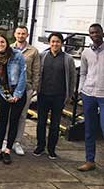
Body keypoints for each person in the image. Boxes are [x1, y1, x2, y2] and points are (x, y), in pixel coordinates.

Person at [33, 32, 76, 160]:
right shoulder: (43, 56)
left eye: (57, 41)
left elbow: (72, 78)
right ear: (49, 43)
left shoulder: (68, 59)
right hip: (43, 94)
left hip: (59, 96)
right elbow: (38, 73)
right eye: (52, 41)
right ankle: (40, 146)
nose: (55, 44)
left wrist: (70, 94)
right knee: (41, 122)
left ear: (61, 43)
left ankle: (52, 149)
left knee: (55, 123)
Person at [0, 34, 26, 165]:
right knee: (2, 121)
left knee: (14, 121)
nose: (0, 44)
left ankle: (8, 151)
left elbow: (23, 74)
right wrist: (5, 95)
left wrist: (17, 94)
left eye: (2, 42)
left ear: (7, 42)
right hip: (2, 94)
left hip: (18, 93)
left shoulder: (17, 55)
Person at [9, 26, 40, 155]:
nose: (21, 36)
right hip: (10, 88)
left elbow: (36, 70)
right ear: (15, 34)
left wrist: (34, 88)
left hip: (26, 88)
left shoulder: (33, 51)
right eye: (18, 33)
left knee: (22, 116)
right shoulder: (9, 48)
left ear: (27, 35)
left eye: (23, 33)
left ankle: (17, 141)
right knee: (9, 115)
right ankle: (6, 140)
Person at [77, 23, 104, 172]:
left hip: (103, 96)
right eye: (92, 33)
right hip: (88, 95)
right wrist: (81, 89)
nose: (94, 35)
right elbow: (83, 72)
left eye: (97, 32)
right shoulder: (86, 52)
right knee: (89, 129)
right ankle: (90, 160)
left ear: (102, 33)